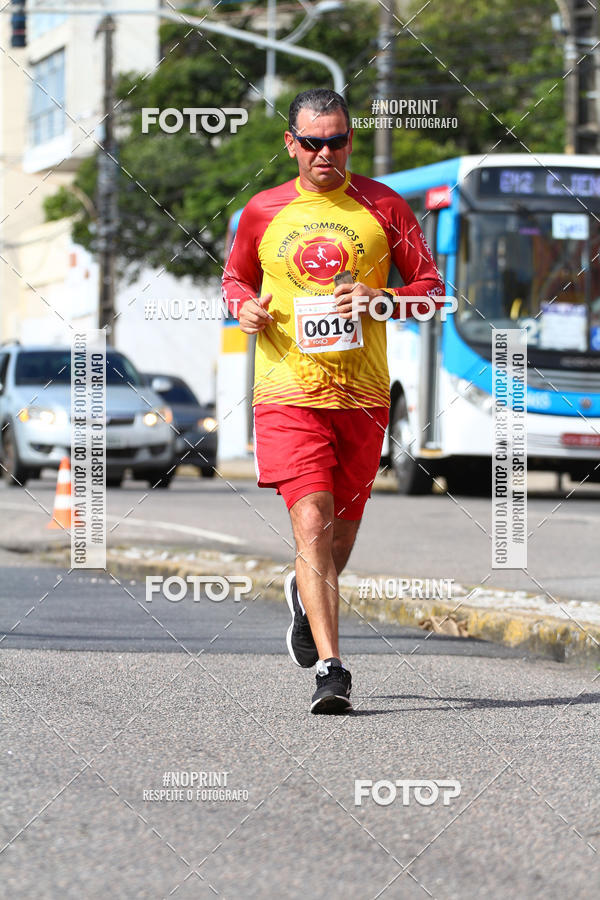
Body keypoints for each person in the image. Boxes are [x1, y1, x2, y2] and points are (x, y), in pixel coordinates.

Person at [222, 88, 444, 714]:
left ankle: (303, 590)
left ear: (351, 141)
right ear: (290, 143)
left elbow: (431, 290)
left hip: (363, 397)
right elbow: (235, 277)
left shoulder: (384, 205)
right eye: (313, 142)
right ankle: (332, 669)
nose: (326, 153)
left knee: (337, 543)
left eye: (337, 141)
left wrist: (383, 301)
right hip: (288, 391)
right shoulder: (262, 212)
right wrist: (244, 306)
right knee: (312, 520)